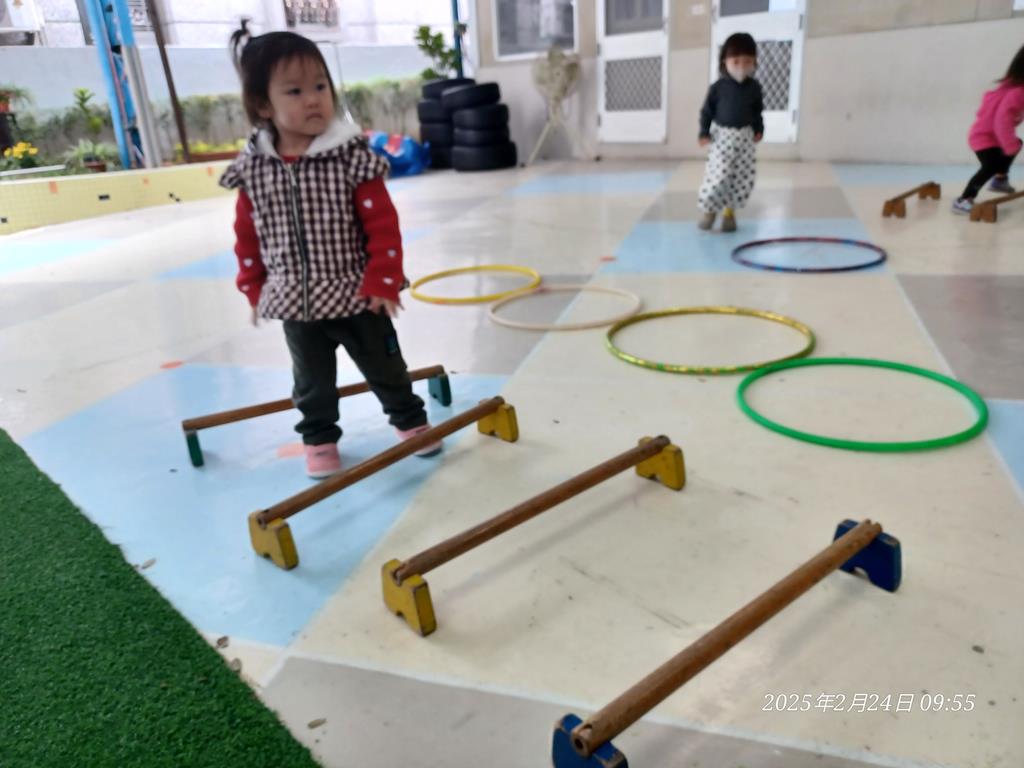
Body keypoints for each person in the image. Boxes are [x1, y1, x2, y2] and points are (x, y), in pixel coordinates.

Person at [220, 20, 440, 479]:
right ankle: (319, 439)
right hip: (296, 300)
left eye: (320, 86)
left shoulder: (350, 156)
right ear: (263, 104)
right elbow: (247, 234)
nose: (314, 99)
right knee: (311, 382)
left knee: (386, 367)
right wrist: (253, 286)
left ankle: (409, 420)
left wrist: (383, 279)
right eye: (295, 91)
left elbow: (382, 224)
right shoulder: (254, 168)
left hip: (358, 293)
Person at [697, 32, 764, 233]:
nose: (741, 67)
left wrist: (759, 129)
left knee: (741, 178)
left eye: (747, 62)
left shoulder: (754, 88)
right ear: (724, 61)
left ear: (754, 62)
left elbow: (757, 111)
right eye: (736, 61)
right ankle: (709, 210)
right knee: (719, 175)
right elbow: (707, 112)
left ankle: (729, 213)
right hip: (722, 138)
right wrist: (704, 132)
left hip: (745, 138)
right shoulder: (718, 88)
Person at [953, 44, 1024, 214]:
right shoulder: (1018, 92)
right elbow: (1002, 121)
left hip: (994, 138)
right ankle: (964, 200)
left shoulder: (1011, 87)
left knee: (1016, 144)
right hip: (984, 138)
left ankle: (1000, 180)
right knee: (990, 166)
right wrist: (1009, 145)